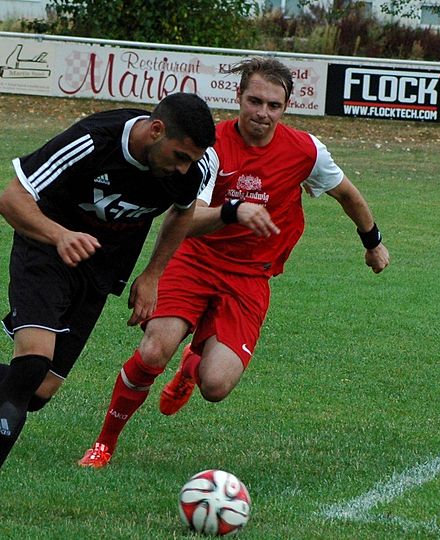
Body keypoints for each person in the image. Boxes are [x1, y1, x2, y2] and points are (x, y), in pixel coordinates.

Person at [0, 92, 217, 520]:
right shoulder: (93, 140)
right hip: (44, 250)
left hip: (98, 271)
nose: (184, 169)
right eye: (179, 156)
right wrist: (58, 236)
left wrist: (152, 275)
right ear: (156, 130)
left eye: (191, 161)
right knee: (32, 363)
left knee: (36, 393)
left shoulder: (190, 167)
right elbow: (11, 200)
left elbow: (182, 214)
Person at [76, 57, 391, 469]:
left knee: (216, 385)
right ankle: (104, 444)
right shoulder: (210, 146)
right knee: (154, 350)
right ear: (238, 97)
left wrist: (372, 242)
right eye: (255, 101)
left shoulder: (306, 151)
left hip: (250, 276)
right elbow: (187, 220)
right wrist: (234, 210)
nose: (263, 113)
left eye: (273, 105)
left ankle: (192, 364)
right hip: (195, 259)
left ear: (286, 107)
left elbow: (348, 194)